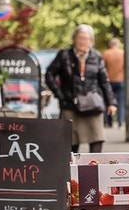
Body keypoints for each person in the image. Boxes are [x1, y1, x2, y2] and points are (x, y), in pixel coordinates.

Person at [45, 24, 116, 152]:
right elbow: (49, 74)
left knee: (97, 138)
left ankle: (94, 169)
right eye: (80, 38)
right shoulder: (64, 55)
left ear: (91, 41)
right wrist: (60, 94)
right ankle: (71, 171)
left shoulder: (96, 56)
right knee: (70, 143)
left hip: (92, 104)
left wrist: (111, 102)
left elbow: (104, 81)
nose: (83, 41)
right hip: (70, 104)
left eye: (86, 38)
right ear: (74, 39)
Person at [102, 36, 126, 127]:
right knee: (121, 102)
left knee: (108, 101)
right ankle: (120, 122)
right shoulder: (123, 53)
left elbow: (102, 68)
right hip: (121, 80)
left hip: (109, 80)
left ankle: (109, 122)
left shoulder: (106, 53)